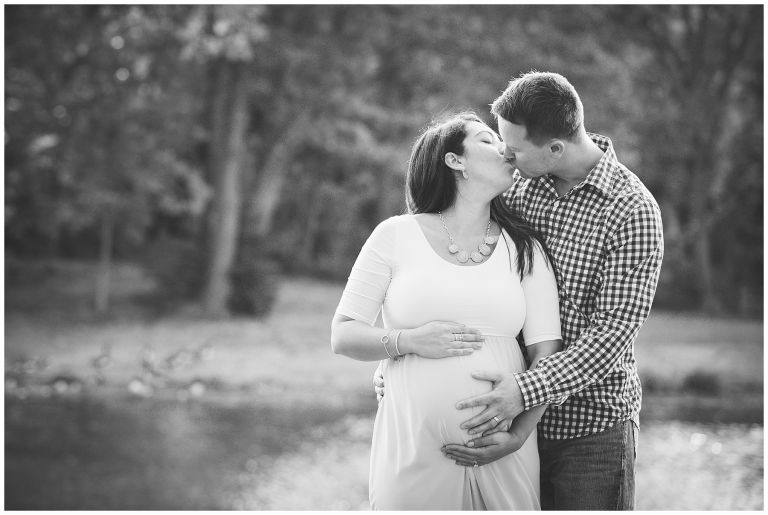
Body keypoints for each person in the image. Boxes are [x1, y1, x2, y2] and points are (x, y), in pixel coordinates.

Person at [435, 71, 664, 510]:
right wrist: (400, 357)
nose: (505, 154)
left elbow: (610, 337)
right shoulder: (516, 184)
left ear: (555, 149)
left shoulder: (633, 211)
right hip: (504, 417)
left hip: (592, 429)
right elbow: (459, 263)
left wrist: (523, 391)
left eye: (514, 148)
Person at [331, 112, 562, 510]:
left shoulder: (525, 247)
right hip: (413, 449)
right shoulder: (395, 235)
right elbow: (344, 334)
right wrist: (408, 342)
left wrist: (519, 434)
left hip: (501, 450)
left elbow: (547, 352)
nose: (505, 149)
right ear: (455, 161)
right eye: (488, 140)